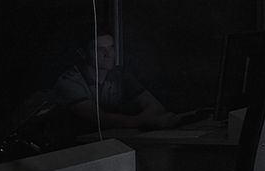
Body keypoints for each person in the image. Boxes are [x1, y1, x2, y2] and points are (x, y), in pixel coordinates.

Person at [49, 32, 180, 131]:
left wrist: (143, 120)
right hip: (73, 149)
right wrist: (149, 121)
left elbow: (156, 106)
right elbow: (101, 120)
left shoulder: (118, 74)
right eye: (100, 49)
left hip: (112, 142)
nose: (108, 54)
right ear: (83, 53)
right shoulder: (69, 82)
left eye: (111, 47)